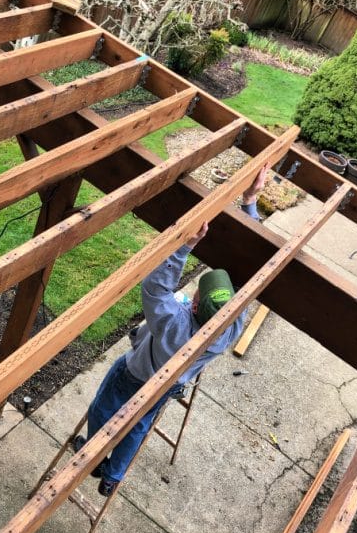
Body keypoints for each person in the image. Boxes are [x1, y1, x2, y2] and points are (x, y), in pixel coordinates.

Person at [76, 166, 268, 497]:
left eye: (195, 295)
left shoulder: (172, 322)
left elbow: (156, 285)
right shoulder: (231, 324)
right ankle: (113, 476)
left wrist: (183, 247)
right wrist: (251, 200)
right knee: (137, 425)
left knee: (103, 409)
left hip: (136, 375)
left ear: (194, 306)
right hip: (168, 385)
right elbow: (258, 265)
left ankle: (94, 457)